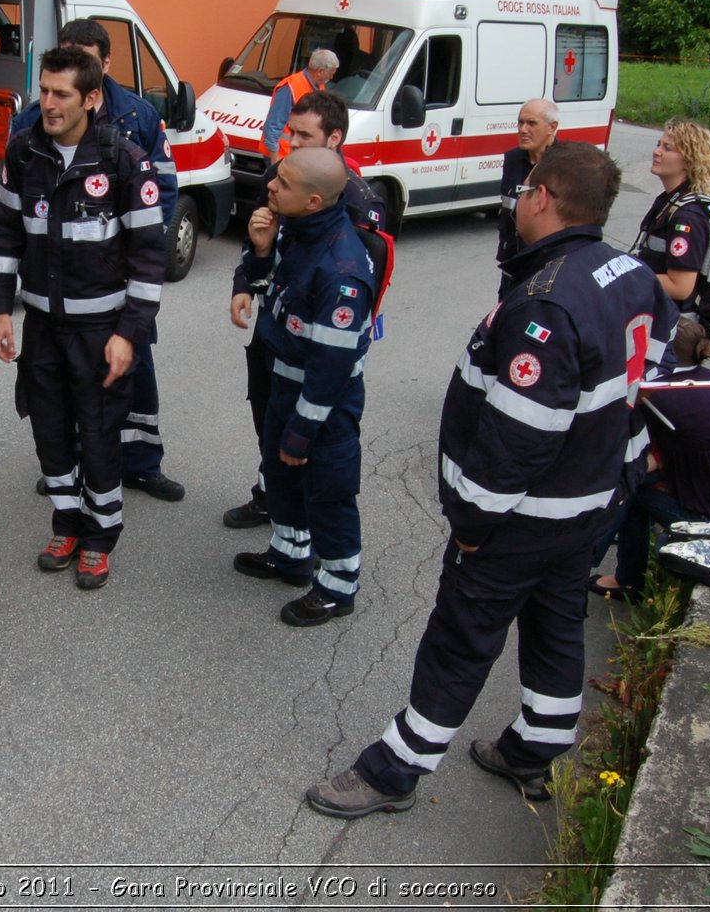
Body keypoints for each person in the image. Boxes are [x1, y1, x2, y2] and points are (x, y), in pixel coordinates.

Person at [305, 141, 678, 818]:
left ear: (542, 197)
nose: (517, 201)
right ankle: (533, 751)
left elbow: (518, 438)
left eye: (524, 190)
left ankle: (395, 770)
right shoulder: (631, 272)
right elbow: (647, 381)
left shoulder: (548, 303)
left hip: (522, 518)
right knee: (557, 624)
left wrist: (473, 524)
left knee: (460, 639)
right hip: (589, 507)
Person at [0, 47, 166, 591]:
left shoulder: (125, 162)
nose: (48, 103)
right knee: (50, 431)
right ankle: (66, 524)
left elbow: (149, 257)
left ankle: (100, 536)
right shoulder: (24, 152)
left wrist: (129, 334)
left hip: (100, 333)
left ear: (91, 97)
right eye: (43, 90)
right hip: (43, 328)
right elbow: (4, 235)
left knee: (100, 431)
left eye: (61, 93)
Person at [12, 19, 184, 502]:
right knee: (61, 382)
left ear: (104, 65)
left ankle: (142, 464)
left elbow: (162, 186)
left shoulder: (138, 114)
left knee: (134, 368)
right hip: (64, 284)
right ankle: (69, 467)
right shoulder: (32, 120)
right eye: (66, 55)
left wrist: (132, 245)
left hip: (119, 281)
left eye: (84, 57)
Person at [224, 91, 384, 530]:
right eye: (290, 131)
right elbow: (261, 234)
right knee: (269, 413)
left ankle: (312, 533)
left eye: (303, 134)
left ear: (333, 138)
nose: (291, 142)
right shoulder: (281, 175)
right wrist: (247, 281)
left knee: (310, 433)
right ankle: (272, 497)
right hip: (275, 325)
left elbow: (359, 284)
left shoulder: (355, 198)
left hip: (319, 339)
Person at [230, 145, 375, 626]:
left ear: (314, 201)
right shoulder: (298, 231)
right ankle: (290, 554)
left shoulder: (342, 271)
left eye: (284, 182)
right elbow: (271, 288)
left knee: (327, 490)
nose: (270, 184)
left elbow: (331, 369)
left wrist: (302, 430)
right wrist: (263, 249)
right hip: (284, 383)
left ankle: (338, 585)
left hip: (322, 403)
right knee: (283, 476)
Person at [590, 318, 710, 602]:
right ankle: (606, 569)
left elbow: (643, 462)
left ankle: (613, 573)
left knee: (632, 488)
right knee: (639, 481)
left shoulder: (661, 397)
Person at [633, 117, 710, 316]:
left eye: (667, 148)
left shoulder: (688, 217)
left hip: (676, 326)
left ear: (689, 160)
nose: (657, 152)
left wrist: (629, 276)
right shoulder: (669, 200)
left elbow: (681, 287)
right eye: (658, 145)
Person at [496, 99, 560, 296]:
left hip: (544, 269)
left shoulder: (565, 164)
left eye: (531, 123)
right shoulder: (513, 159)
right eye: (520, 122)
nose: (523, 129)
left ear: (552, 127)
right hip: (512, 264)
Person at [261, 49, 338, 164]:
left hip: (298, 155)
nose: (332, 77)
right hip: (283, 156)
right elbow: (272, 126)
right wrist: (275, 160)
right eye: (331, 73)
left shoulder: (319, 87)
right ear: (320, 71)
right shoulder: (290, 88)